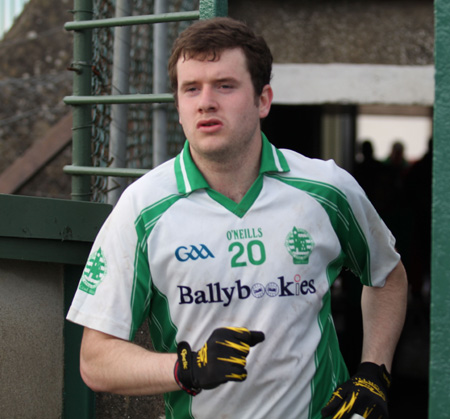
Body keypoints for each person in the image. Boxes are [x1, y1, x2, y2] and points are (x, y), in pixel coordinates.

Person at [67, 17, 408, 419]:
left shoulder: (328, 188)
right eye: (191, 88)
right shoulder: (143, 209)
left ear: (263, 100)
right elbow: (96, 359)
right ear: (177, 105)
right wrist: (186, 368)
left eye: (224, 86)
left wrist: (373, 373)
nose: (205, 101)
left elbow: (387, 276)